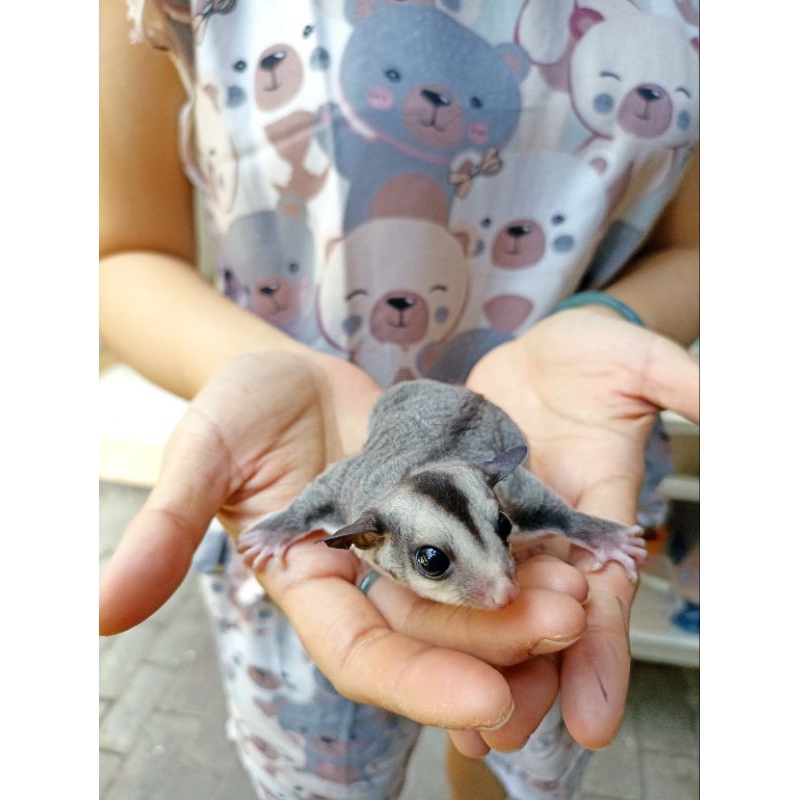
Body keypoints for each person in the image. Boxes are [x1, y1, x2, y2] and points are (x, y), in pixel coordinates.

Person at [99, 1, 699, 798]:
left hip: (577, 439)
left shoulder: (495, 495)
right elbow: (117, 250)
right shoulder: (353, 507)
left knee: (504, 734)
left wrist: (614, 319)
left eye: (492, 529)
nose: (502, 588)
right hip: (296, 540)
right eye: (433, 561)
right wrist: (283, 512)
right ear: (366, 541)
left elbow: (704, 246)